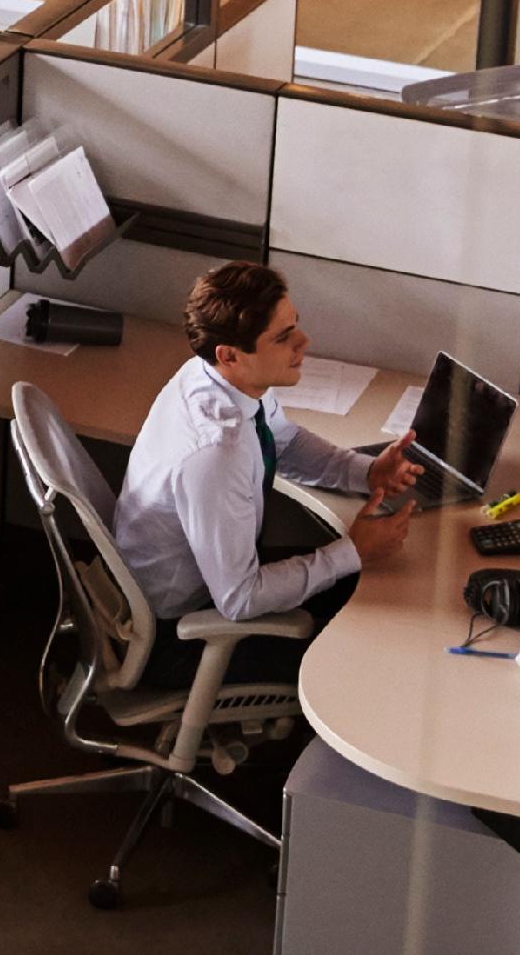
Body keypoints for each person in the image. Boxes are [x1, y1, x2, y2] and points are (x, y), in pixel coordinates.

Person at [112, 262, 419, 687]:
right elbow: (240, 599)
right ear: (230, 354)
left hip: (216, 584)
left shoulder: (217, 378)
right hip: (188, 635)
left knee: (371, 594)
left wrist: (366, 472)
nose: (303, 342)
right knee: (371, 652)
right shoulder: (213, 453)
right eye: (282, 337)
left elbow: (283, 441)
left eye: (295, 325)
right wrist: (353, 551)